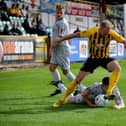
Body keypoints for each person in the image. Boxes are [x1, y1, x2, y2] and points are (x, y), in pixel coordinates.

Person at [52, 20, 126, 108]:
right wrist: (60, 39)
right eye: (106, 31)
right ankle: (63, 99)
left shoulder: (111, 33)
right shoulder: (92, 31)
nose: (107, 33)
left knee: (117, 68)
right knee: (77, 80)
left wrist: (125, 43)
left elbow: (123, 40)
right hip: (93, 59)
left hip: (104, 58)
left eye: (109, 31)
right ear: (101, 28)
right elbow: (75, 35)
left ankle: (109, 92)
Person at [49, 4, 76, 94]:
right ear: (55, 12)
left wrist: (50, 49)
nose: (59, 14)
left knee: (66, 71)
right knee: (52, 67)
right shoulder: (57, 22)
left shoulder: (62, 23)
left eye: (61, 13)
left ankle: (79, 87)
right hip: (57, 49)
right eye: (58, 12)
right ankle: (60, 87)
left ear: (63, 13)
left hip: (62, 49)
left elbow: (58, 40)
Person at [51, 77, 125, 109]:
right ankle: (60, 85)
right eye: (108, 86)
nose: (110, 88)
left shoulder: (114, 89)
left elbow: (121, 104)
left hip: (91, 95)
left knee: (81, 88)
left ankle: (78, 88)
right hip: (87, 96)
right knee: (69, 100)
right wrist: (89, 103)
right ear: (104, 85)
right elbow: (84, 94)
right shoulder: (96, 86)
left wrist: (118, 106)